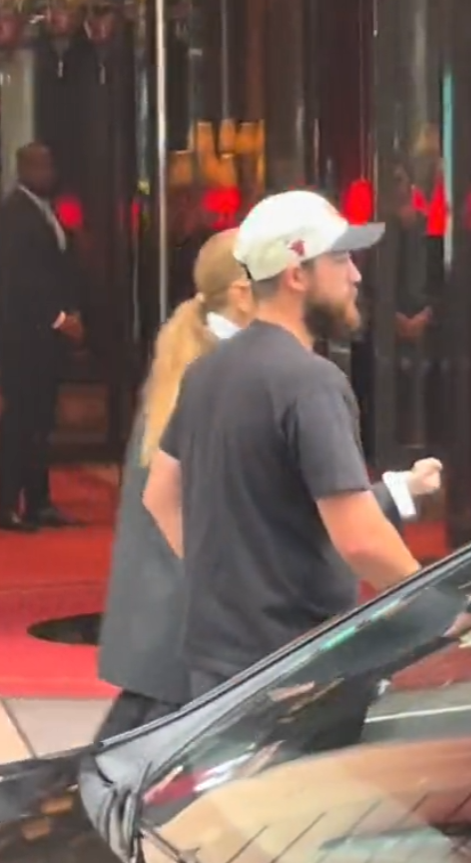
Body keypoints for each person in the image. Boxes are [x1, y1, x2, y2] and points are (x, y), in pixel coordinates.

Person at [144, 190, 442, 703]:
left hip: (215, 661)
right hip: (296, 668)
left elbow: (160, 495)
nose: (356, 275)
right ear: (296, 274)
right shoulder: (310, 382)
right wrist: (444, 608)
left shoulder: (206, 372)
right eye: (342, 258)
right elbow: (361, 540)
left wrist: (227, 588)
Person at [95, 229, 254, 740]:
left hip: (167, 609)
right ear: (242, 291)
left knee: (129, 750)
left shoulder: (189, 356)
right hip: (194, 616)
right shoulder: (226, 373)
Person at [0, 143, 84, 532]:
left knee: (40, 422)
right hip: (24, 338)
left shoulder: (43, 208)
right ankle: (7, 504)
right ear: (25, 168)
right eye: (42, 164)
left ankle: (37, 501)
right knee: (21, 423)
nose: (49, 171)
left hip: (43, 339)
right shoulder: (15, 213)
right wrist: (58, 317)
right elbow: (20, 280)